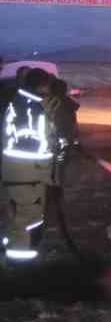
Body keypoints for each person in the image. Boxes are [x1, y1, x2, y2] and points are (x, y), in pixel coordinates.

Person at [2, 68, 58, 265]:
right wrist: (50, 170)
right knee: (27, 219)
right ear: (41, 86)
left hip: (16, 170)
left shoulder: (17, 102)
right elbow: (38, 144)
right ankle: (20, 262)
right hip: (28, 173)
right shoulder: (32, 109)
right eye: (47, 86)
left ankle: (11, 253)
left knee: (15, 216)